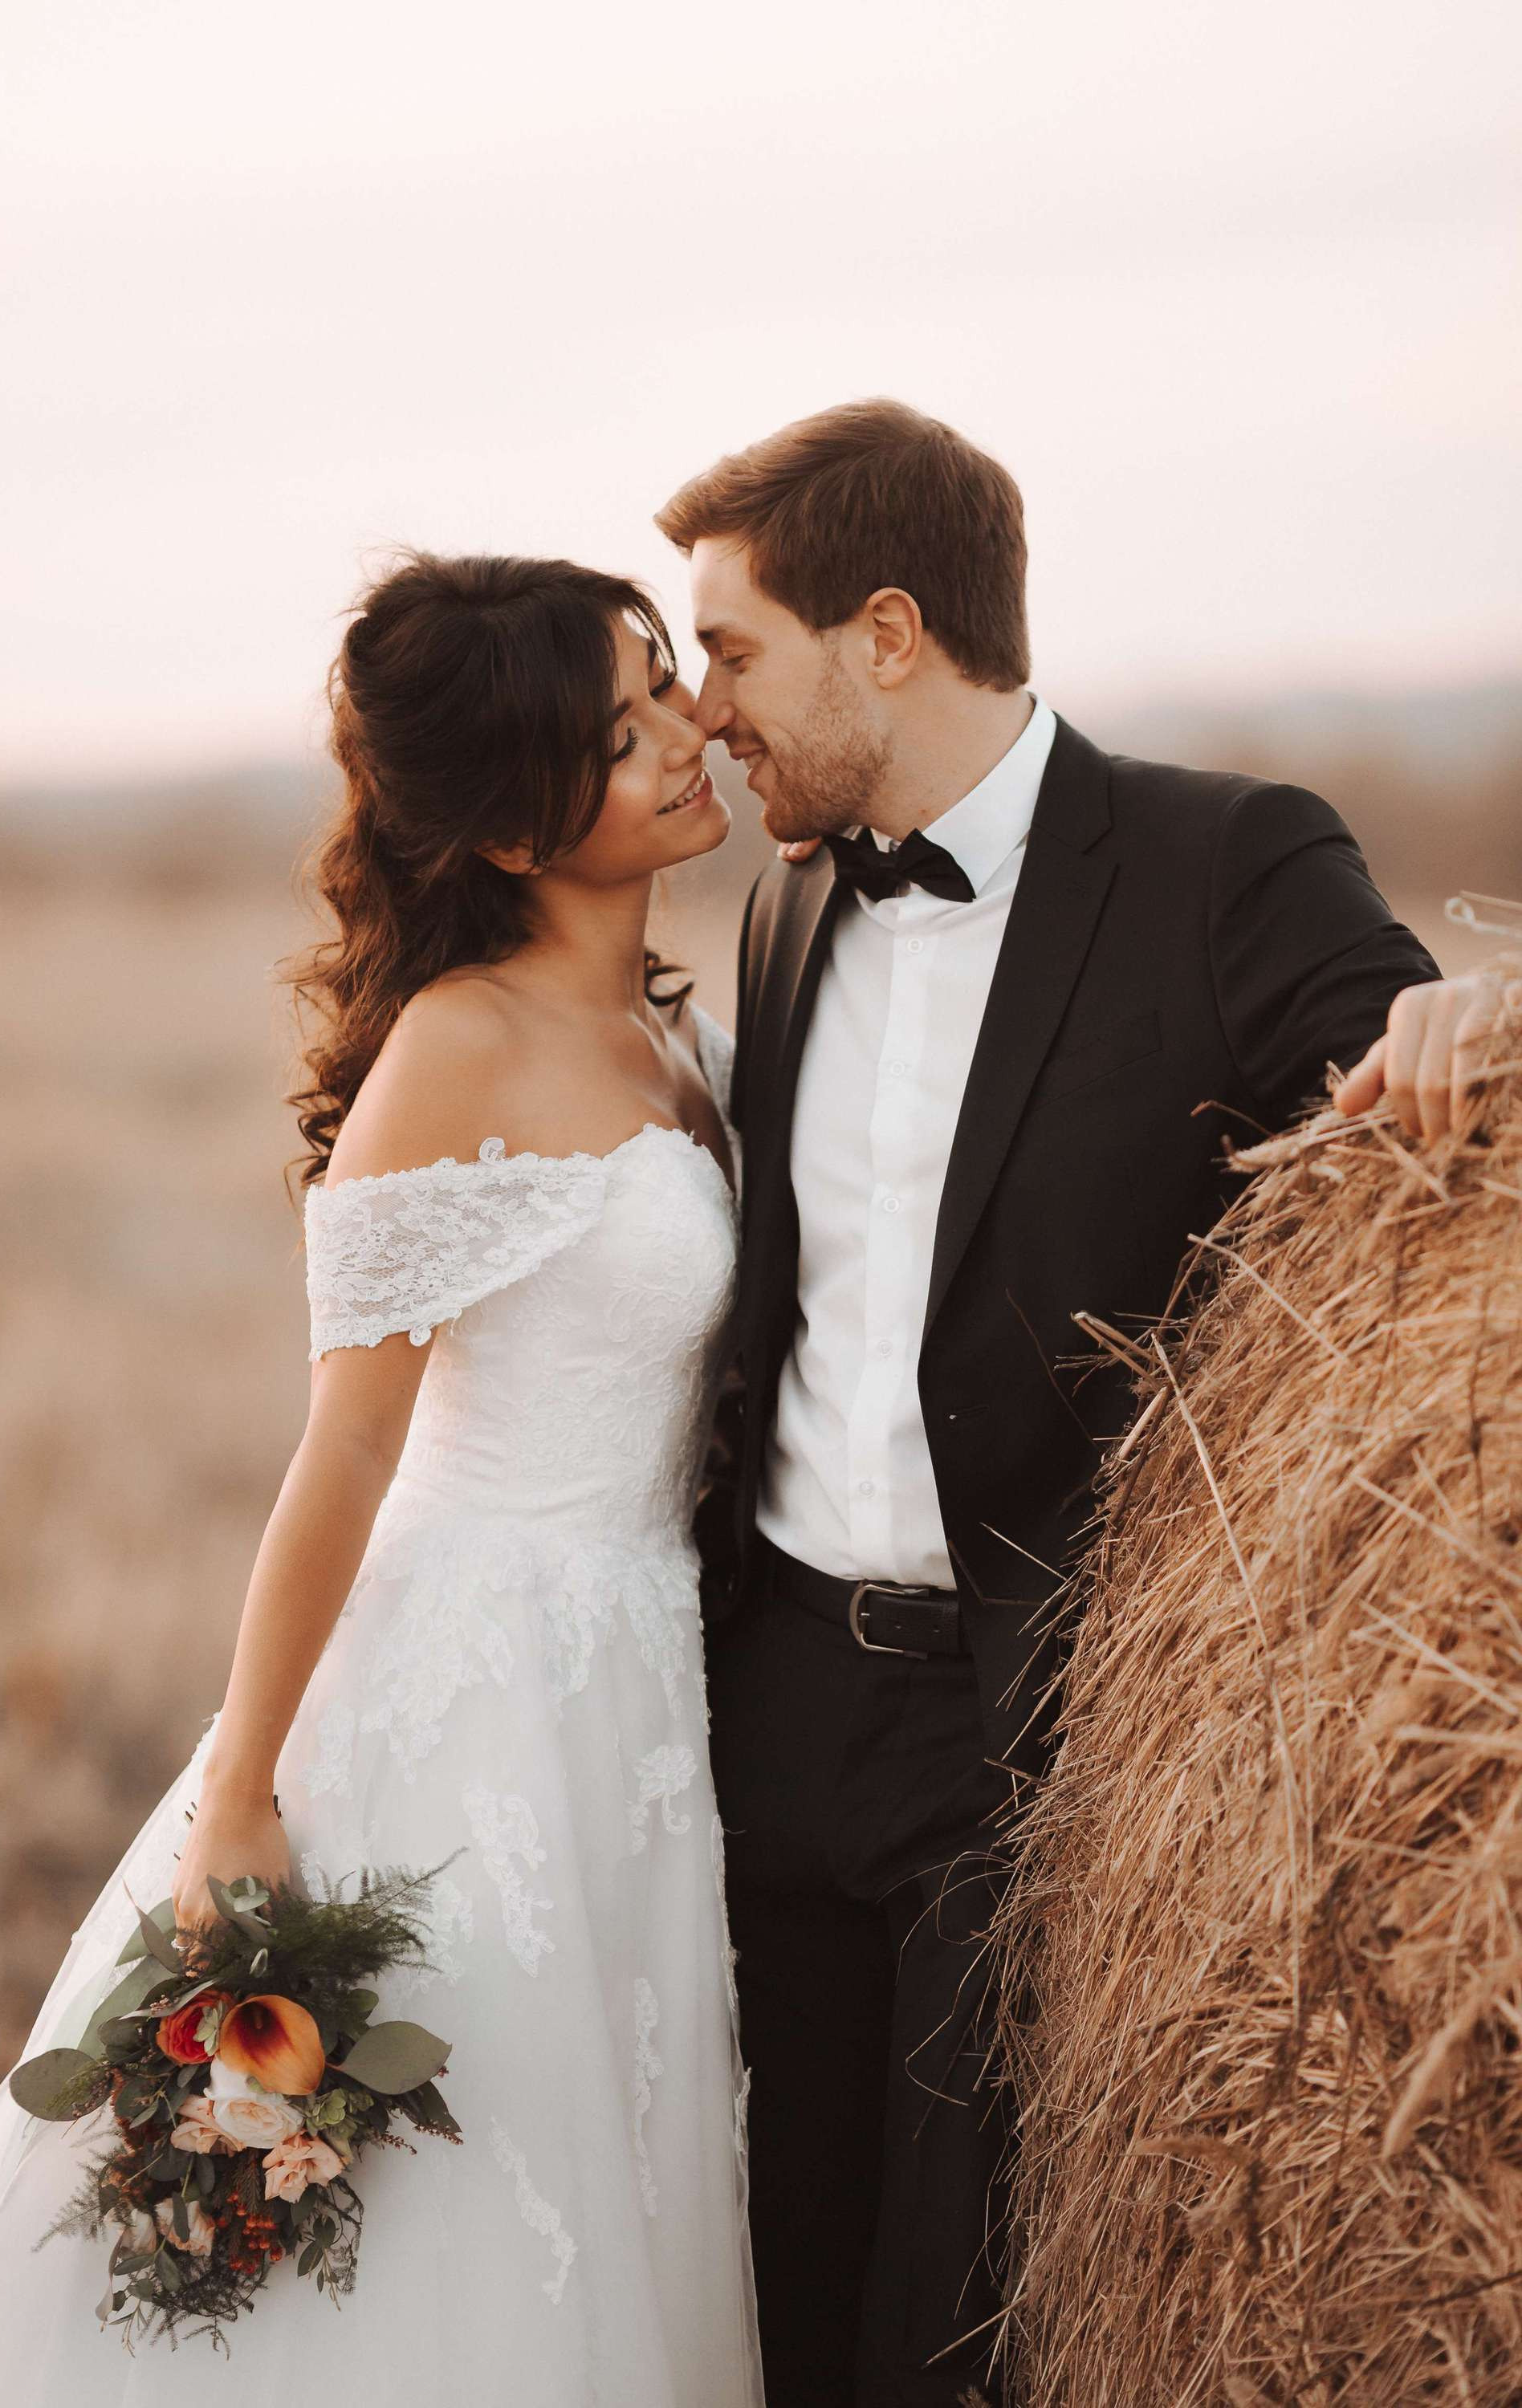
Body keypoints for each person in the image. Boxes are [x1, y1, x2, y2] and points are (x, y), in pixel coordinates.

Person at [653, 398, 1495, 2408]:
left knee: (948, 2316)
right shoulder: (790, 896)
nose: (702, 710)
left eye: (731, 651)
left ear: (883, 633)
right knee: (769, 2254)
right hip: (766, 1690)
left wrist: (1482, 1010)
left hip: (1017, 1730)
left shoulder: (1224, 858)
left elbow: (1394, 1096)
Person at [0, 553, 764, 2408]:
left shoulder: (685, 1037)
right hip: (474, 1689)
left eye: (664, 687)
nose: (686, 735)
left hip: (637, 1690)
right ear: (517, 822)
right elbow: (347, 1451)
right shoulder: (460, 1047)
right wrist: (240, 1793)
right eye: (622, 734)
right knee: (426, 2221)